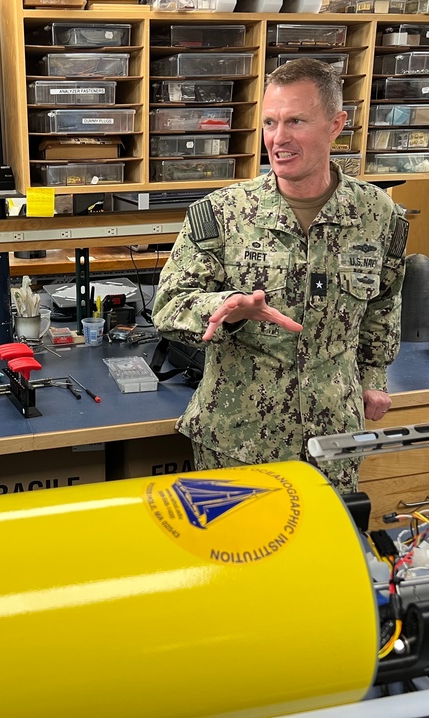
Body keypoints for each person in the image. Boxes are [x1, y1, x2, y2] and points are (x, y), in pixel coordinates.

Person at [152, 58, 409, 493]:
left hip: (335, 436)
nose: (278, 138)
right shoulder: (222, 213)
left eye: (295, 121)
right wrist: (224, 308)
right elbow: (168, 306)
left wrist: (372, 378)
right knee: (237, 554)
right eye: (270, 122)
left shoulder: (379, 214)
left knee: (319, 555)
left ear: (336, 124)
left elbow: (383, 304)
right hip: (239, 437)